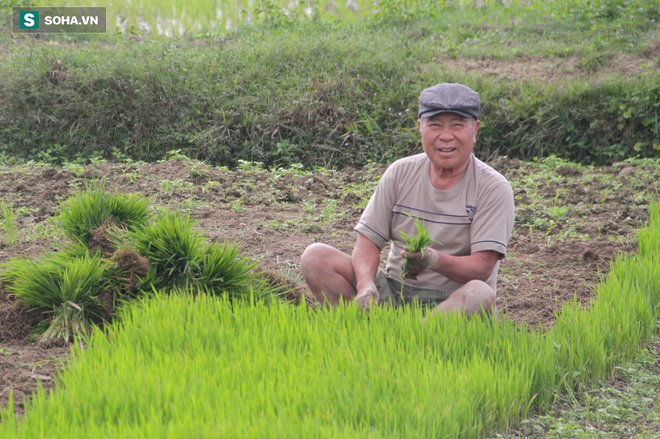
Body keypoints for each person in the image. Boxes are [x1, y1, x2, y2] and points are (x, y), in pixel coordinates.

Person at [300, 83, 514, 317]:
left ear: (475, 130)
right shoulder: (400, 172)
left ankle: (411, 338)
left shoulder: (493, 187)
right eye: (434, 125)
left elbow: (482, 267)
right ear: (420, 127)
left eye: (457, 125)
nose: (445, 136)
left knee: (479, 293)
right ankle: (364, 332)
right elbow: (368, 241)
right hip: (394, 292)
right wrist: (365, 286)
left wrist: (434, 260)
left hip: (452, 302)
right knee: (316, 257)